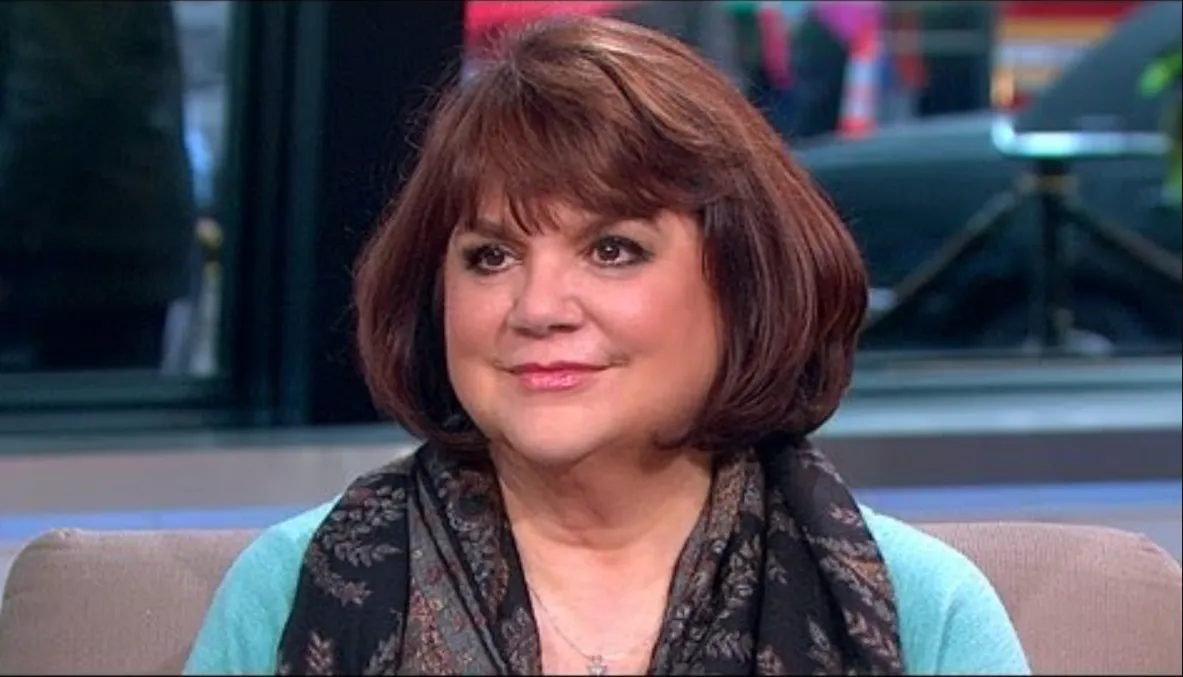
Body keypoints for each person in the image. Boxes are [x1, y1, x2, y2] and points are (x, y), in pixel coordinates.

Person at [184, 17, 1030, 676]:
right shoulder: (290, 586)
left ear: (742, 281)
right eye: (491, 256)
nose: (537, 307)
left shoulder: (921, 609)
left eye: (612, 249)